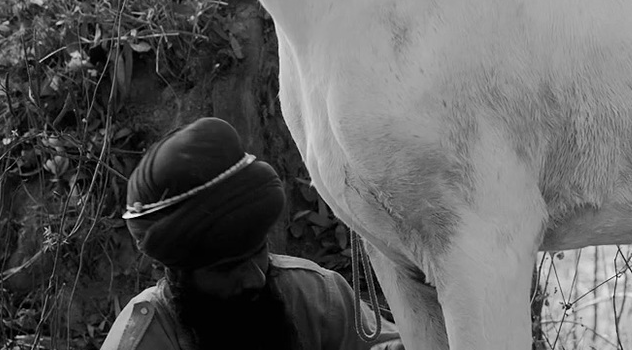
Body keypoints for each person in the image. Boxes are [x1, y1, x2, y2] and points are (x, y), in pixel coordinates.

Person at [100, 116, 404, 350]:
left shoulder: (317, 295)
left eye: (258, 251)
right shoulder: (143, 341)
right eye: (228, 268)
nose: (256, 278)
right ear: (178, 272)